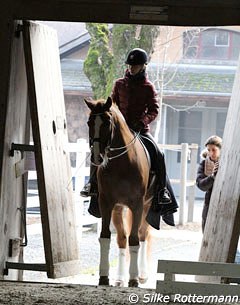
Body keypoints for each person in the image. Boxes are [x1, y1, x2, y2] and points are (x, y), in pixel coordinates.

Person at [81, 48, 171, 207]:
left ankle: (161, 190)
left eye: (135, 66)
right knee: (97, 149)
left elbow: (153, 110)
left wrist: (142, 121)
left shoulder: (148, 87)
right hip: (119, 130)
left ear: (143, 66)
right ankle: (92, 184)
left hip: (139, 130)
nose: (131, 68)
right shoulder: (119, 84)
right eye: (130, 65)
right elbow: (113, 106)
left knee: (159, 153)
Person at [196, 135, 222, 232]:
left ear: (220, 149)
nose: (211, 153)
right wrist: (212, 177)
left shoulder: (230, 162)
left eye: (214, 150)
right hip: (209, 204)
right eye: (208, 150)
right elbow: (200, 185)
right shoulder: (204, 164)